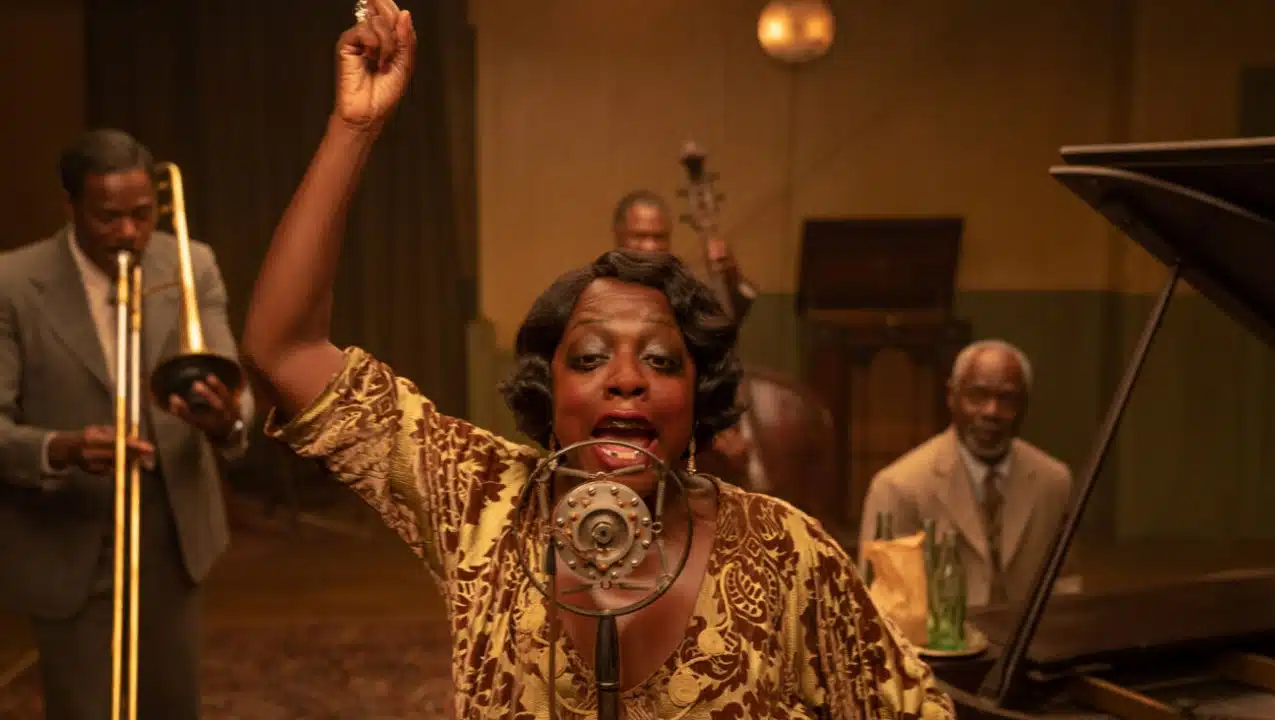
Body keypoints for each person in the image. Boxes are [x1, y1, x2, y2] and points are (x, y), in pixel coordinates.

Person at [240, 1, 954, 717]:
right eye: (587, 358)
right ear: (546, 388)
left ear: (699, 392)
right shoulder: (482, 503)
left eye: (661, 362)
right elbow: (284, 350)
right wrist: (355, 128)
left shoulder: (785, 551)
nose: (626, 380)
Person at [0, 128, 254, 719]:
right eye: (108, 217)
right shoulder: (12, 284)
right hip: (67, 532)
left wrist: (226, 421)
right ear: (70, 208)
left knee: (172, 705)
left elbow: (232, 388)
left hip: (171, 530)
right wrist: (59, 448)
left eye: (142, 215)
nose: (128, 234)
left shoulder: (192, 264)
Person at [858, 339, 1072, 608]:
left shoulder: (1054, 482)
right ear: (952, 397)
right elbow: (884, 606)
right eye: (978, 396)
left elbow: (1065, 585)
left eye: (1006, 399)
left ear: (1025, 405)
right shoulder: (898, 487)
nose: (991, 411)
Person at [611, 189, 758, 326]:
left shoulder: (684, 285)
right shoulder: (603, 288)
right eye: (640, 236)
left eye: (660, 237)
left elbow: (729, 319)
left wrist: (732, 277)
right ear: (619, 235)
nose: (651, 247)